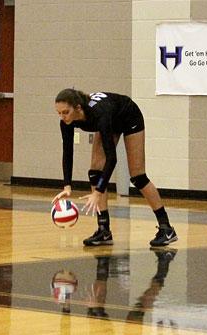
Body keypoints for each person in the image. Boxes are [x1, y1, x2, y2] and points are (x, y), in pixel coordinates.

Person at [53, 89, 177, 248]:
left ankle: (166, 228)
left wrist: (98, 192)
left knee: (138, 177)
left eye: (66, 112)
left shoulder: (99, 115)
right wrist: (67, 185)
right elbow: (67, 151)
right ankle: (103, 230)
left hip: (128, 115)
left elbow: (112, 159)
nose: (63, 117)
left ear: (78, 108)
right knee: (95, 173)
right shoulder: (66, 121)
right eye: (59, 113)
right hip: (111, 118)